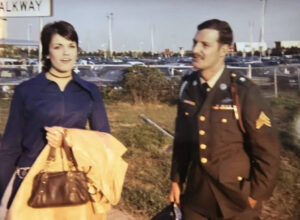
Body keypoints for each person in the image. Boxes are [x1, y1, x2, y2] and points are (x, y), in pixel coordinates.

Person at [169, 19, 280, 220]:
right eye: (195, 42)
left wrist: (255, 196)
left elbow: (268, 151)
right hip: (196, 197)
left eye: (205, 45)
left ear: (224, 50)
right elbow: (182, 140)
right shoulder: (188, 87)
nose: (195, 49)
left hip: (236, 200)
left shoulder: (243, 91)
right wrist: (176, 180)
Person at [0, 21, 110, 209]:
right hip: (30, 180)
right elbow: (10, 146)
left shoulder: (89, 91)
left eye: (71, 46)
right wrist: (4, 192)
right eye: (58, 47)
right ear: (47, 53)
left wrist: (69, 138)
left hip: (74, 181)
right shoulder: (26, 91)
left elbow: (104, 140)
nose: (66, 53)